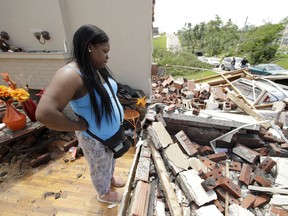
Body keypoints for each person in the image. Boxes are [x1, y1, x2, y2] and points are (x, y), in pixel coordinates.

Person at [35, 24, 125, 204]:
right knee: (99, 166)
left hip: (111, 133)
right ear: (89, 47)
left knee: (110, 159)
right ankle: (103, 193)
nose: (107, 57)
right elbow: (44, 113)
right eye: (104, 51)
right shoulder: (70, 74)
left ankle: (109, 179)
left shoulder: (94, 67)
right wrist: (78, 126)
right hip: (95, 137)